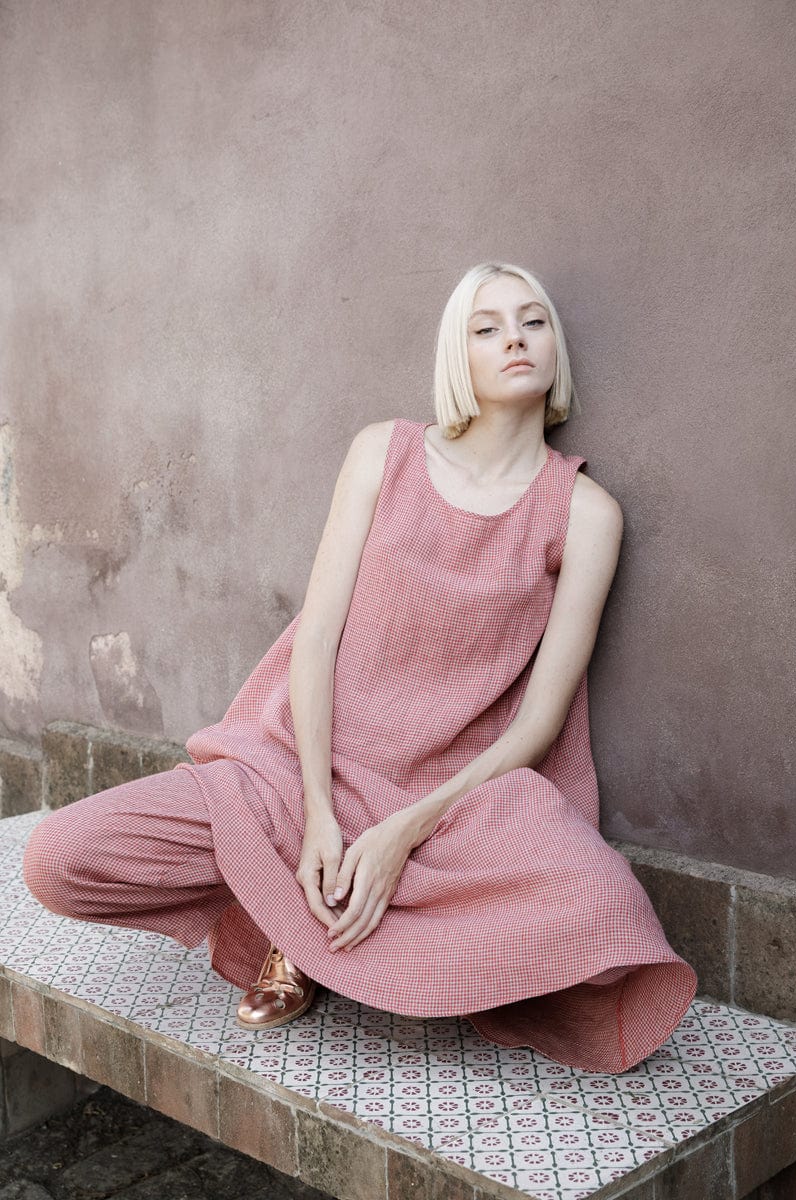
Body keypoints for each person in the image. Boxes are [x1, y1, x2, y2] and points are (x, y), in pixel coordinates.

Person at [22, 262, 696, 1073]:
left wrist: (401, 834)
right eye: (487, 328)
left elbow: (539, 722)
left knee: (609, 910)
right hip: (295, 771)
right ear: (459, 355)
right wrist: (318, 815)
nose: (514, 338)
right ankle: (307, 915)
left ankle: (321, 935)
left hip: (457, 804)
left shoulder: (587, 515)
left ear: (556, 347)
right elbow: (317, 638)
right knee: (57, 860)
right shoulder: (386, 453)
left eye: (533, 322)